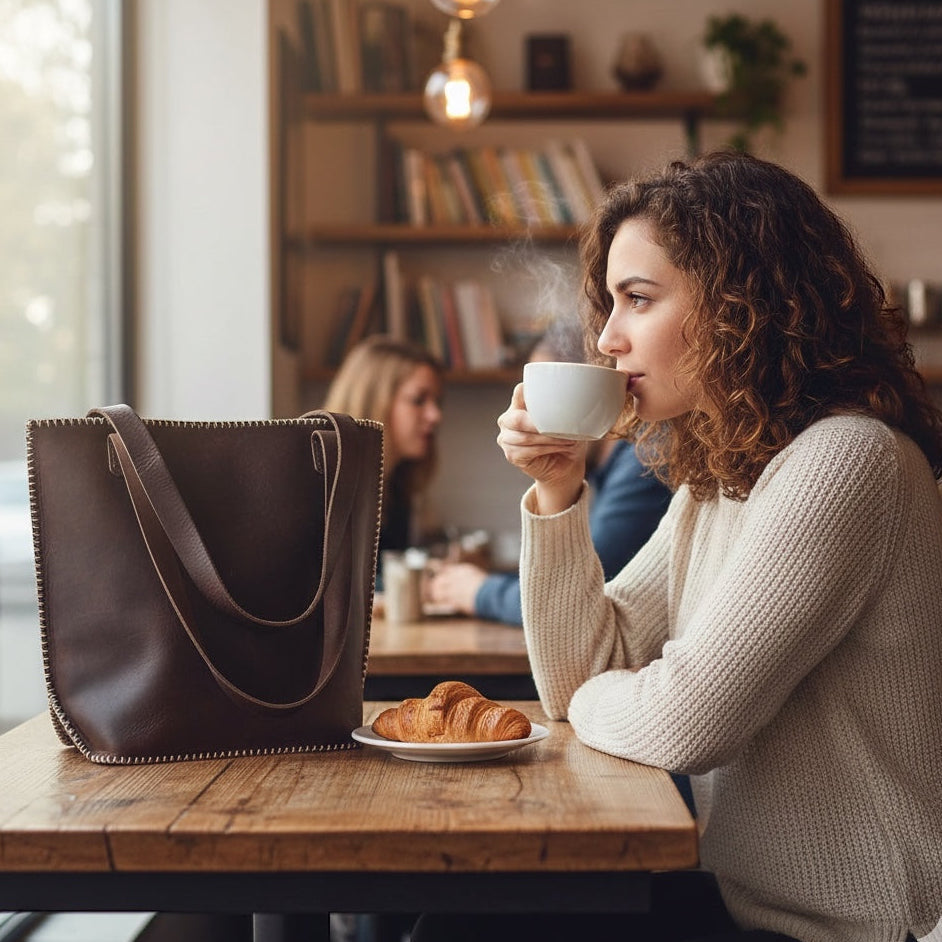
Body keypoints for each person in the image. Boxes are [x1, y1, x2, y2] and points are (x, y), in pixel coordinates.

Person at [413, 152, 942, 941]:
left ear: (744, 303)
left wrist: (602, 696)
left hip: (851, 930)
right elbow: (577, 676)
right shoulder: (721, 481)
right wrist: (558, 490)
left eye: (638, 299)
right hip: (747, 907)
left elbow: (686, 725)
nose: (609, 339)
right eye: (610, 304)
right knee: (462, 920)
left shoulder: (848, 461)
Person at [425, 319, 671, 626]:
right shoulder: (608, 464)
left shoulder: (647, 459)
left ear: (594, 386)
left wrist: (478, 591)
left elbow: (570, 601)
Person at [323, 334, 444, 564]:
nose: (435, 416)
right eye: (419, 400)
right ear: (374, 401)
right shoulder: (325, 491)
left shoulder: (398, 487)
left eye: (437, 402)